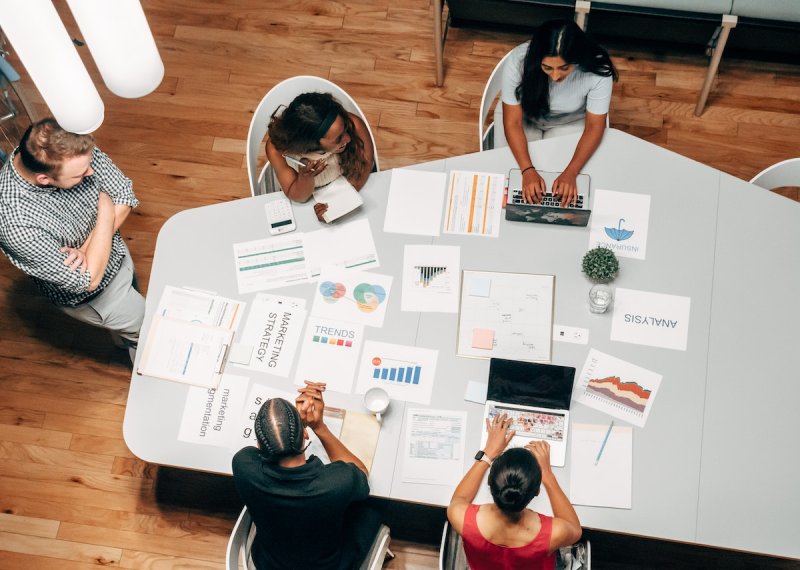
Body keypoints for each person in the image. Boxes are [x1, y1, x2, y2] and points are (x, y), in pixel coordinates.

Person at [0, 118, 144, 357]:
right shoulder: (14, 223)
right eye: (79, 175)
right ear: (44, 179)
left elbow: (123, 194)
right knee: (147, 334)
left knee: (131, 324)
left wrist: (88, 246)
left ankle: (124, 339)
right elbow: (87, 279)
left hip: (117, 254)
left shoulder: (68, 148)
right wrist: (106, 211)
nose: (91, 171)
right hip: (99, 298)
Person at [232, 381, 382, 570]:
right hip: (328, 566)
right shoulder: (336, 483)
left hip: (270, 563)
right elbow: (361, 472)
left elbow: (257, 451)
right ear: (305, 434)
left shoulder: (243, 465)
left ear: (260, 446)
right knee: (370, 509)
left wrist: (287, 431)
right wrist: (319, 426)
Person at [497, 19, 618, 207]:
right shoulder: (518, 60)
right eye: (547, 67)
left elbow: (595, 126)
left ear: (578, 59)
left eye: (564, 68)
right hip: (524, 118)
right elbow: (512, 122)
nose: (555, 76)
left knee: (565, 184)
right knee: (509, 178)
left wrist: (571, 172)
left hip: (569, 121)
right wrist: (527, 169)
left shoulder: (598, 69)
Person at [447, 414, 582, 570]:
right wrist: (548, 476)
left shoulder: (461, 517)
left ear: (489, 483)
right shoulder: (553, 534)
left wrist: (488, 453)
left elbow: (459, 498)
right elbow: (575, 529)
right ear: (537, 491)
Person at [266, 92, 375, 220]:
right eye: (338, 139)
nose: (349, 138)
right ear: (311, 144)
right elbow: (299, 197)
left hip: (349, 187)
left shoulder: (354, 124)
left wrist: (338, 205)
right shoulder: (276, 150)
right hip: (307, 199)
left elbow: (362, 169)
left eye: (345, 128)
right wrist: (306, 178)